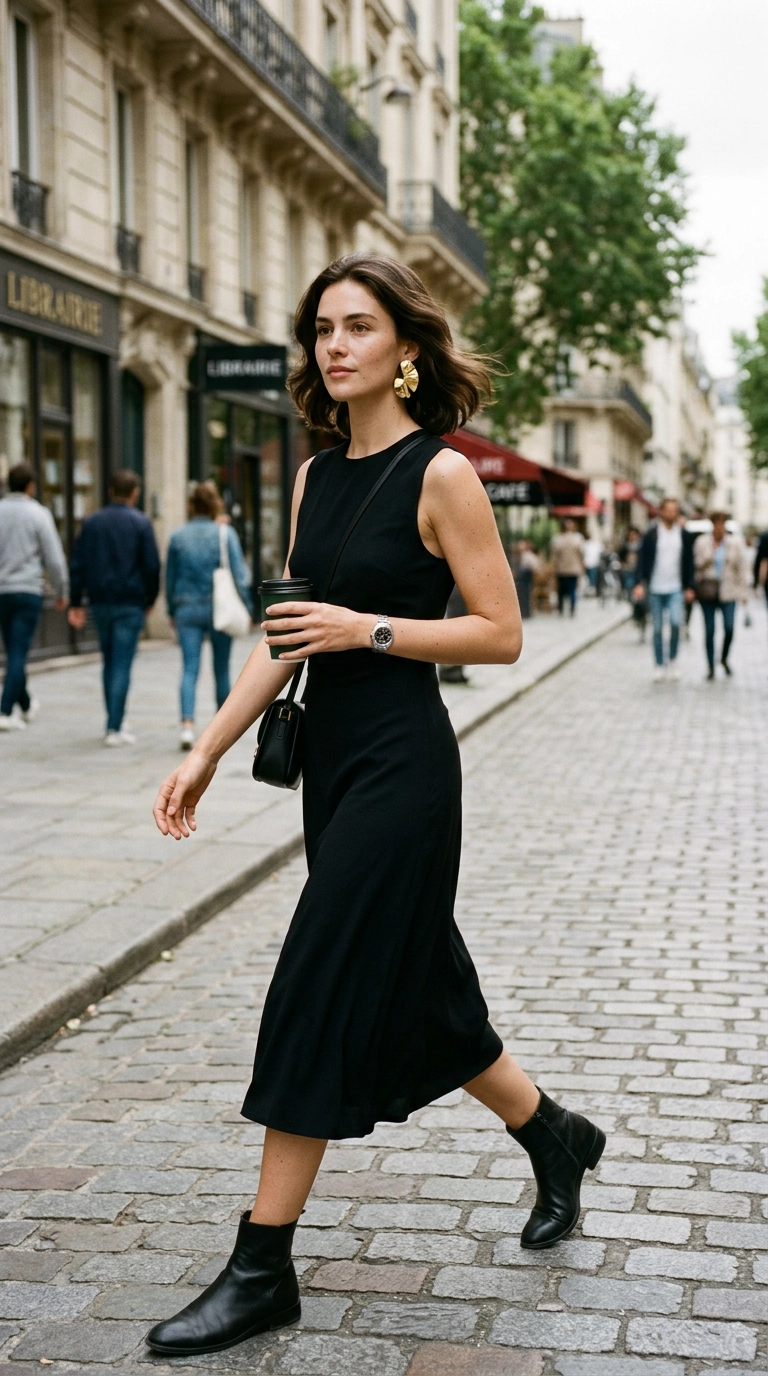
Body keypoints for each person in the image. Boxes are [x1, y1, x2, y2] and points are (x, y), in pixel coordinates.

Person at [146, 254, 606, 1357]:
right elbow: (286, 631)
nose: (334, 344)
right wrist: (207, 746)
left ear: (408, 348)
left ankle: (262, 1265)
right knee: (422, 987)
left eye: (359, 326)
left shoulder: (440, 474)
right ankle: (556, 1132)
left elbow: (500, 631)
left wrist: (374, 630)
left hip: (405, 763)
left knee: (317, 975)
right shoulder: (313, 478)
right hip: (334, 765)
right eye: (320, 329)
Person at [68, 469, 159, 745]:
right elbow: (152, 566)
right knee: (121, 663)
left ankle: (114, 719)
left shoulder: (92, 523)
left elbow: (78, 564)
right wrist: (150, 599)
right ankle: (114, 726)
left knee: (109, 660)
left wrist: (75, 601)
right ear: (135, 493)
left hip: (100, 602)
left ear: (109, 491)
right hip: (130, 602)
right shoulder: (141, 523)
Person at [166, 483, 251, 749]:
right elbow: (240, 575)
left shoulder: (178, 536)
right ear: (215, 505)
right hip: (219, 607)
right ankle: (221, 731)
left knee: (190, 668)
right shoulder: (225, 534)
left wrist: (171, 609)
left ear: (191, 505)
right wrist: (247, 606)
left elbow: (169, 579)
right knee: (221, 668)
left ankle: (187, 727)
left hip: (187, 607)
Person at [0, 462, 68, 731]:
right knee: (18, 652)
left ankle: (26, 704)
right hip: (28, 590)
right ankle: (4, 711)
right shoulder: (38, 513)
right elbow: (54, 557)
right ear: (30, 486)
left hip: (2, 592)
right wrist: (62, 591)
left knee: (14, 650)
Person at [633, 496, 695, 681]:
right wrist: (638, 583)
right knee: (658, 629)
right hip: (655, 588)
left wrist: (690, 587)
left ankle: (673, 659)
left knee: (676, 624)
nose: (672, 513)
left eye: (675, 510)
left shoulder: (683, 535)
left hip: (676, 588)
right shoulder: (651, 534)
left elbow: (689, 563)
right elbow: (642, 561)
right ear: (661, 511)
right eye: (668, 510)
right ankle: (659, 664)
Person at [693, 511, 749, 679]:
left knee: (729, 628)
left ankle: (724, 658)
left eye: (722, 524)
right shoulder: (702, 542)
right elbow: (695, 565)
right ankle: (710, 666)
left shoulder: (734, 543)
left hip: (729, 591)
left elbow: (742, 568)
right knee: (709, 630)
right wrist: (708, 558)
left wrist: (743, 592)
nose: (719, 528)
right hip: (708, 592)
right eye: (716, 524)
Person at [550, 517, 585, 615]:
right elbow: (582, 553)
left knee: (561, 590)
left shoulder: (557, 539)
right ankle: (572, 609)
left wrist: (554, 566)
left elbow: (554, 555)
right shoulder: (578, 538)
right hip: (574, 569)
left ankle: (562, 609)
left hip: (561, 569)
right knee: (572, 590)